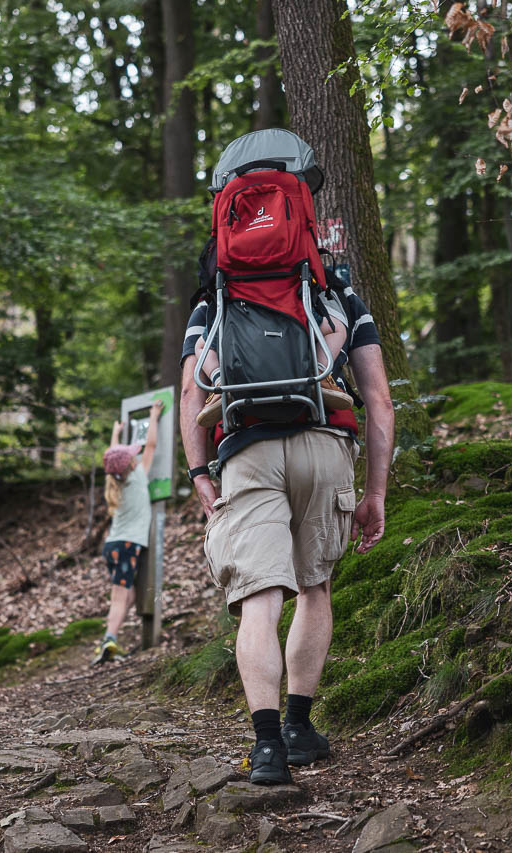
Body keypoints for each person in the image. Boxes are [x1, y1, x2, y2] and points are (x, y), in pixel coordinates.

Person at [179, 283, 393, 785]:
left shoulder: (215, 301)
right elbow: (379, 401)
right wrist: (376, 493)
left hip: (247, 448)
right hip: (324, 439)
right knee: (314, 587)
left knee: (259, 595)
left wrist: (198, 473)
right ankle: (299, 727)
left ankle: (268, 747)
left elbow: (192, 392)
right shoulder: (339, 296)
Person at [193, 287, 352, 428]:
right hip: (289, 302)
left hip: (237, 308)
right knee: (337, 329)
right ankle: (319, 374)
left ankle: (221, 383)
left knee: (200, 346)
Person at [94, 399, 164, 665]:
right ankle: (109, 638)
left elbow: (113, 454)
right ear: (131, 465)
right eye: (132, 456)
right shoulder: (137, 478)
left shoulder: (114, 481)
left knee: (129, 594)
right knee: (120, 596)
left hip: (112, 546)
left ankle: (111, 639)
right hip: (126, 546)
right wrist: (154, 416)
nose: (137, 456)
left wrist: (116, 433)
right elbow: (152, 446)